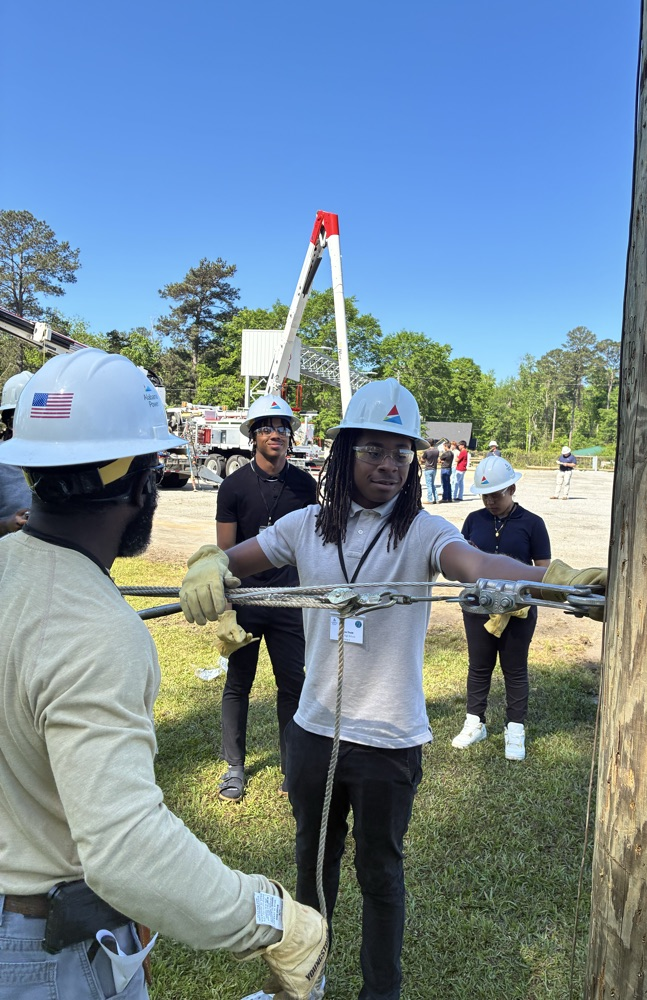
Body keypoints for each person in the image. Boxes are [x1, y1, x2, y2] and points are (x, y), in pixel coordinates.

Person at [178, 377, 607, 1000]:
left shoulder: (424, 531)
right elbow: (237, 559)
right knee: (313, 869)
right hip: (313, 733)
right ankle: (306, 981)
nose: (390, 464)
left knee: (380, 875)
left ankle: (381, 993)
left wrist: (553, 581)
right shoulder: (304, 526)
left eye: (402, 452)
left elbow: (477, 565)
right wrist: (209, 561)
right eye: (374, 450)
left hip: (388, 739)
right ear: (345, 453)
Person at [0, 350, 327, 1000]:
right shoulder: (96, 629)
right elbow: (126, 849)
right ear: (140, 485)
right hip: (47, 954)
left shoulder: (8, 564)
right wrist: (275, 919)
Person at [215, 393, 317, 801]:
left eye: (282, 428)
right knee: (238, 684)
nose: (276, 434)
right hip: (247, 601)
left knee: (293, 686)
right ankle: (234, 768)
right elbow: (224, 554)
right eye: (267, 428)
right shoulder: (233, 487)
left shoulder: (305, 486)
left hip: (289, 601)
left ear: (291, 436)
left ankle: (292, 769)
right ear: (253, 436)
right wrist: (226, 610)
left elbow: (314, 544)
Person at [452, 455, 551, 760]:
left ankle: (515, 728)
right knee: (479, 665)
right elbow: (463, 561)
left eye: (496, 495)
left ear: (512, 489)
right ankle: (475, 722)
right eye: (485, 496)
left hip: (518, 609)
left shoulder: (533, 523)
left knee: (515, 668)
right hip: (478, 607)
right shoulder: (473, 520)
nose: (490, 502)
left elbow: (543, 570)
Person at [0, 370, 33, 537]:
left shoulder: (58, 464)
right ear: (8, 422)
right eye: (18, 420)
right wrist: (7, 524)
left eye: (32, 419)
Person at [420, 438, 439, 504]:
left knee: (429, 485)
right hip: (434, 468)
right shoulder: (437, 451)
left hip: (428, 468)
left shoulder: (427, 451)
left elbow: (422, 459)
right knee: (433, 484)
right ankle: (436, 498)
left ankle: (430, 499)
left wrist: (423, 460)